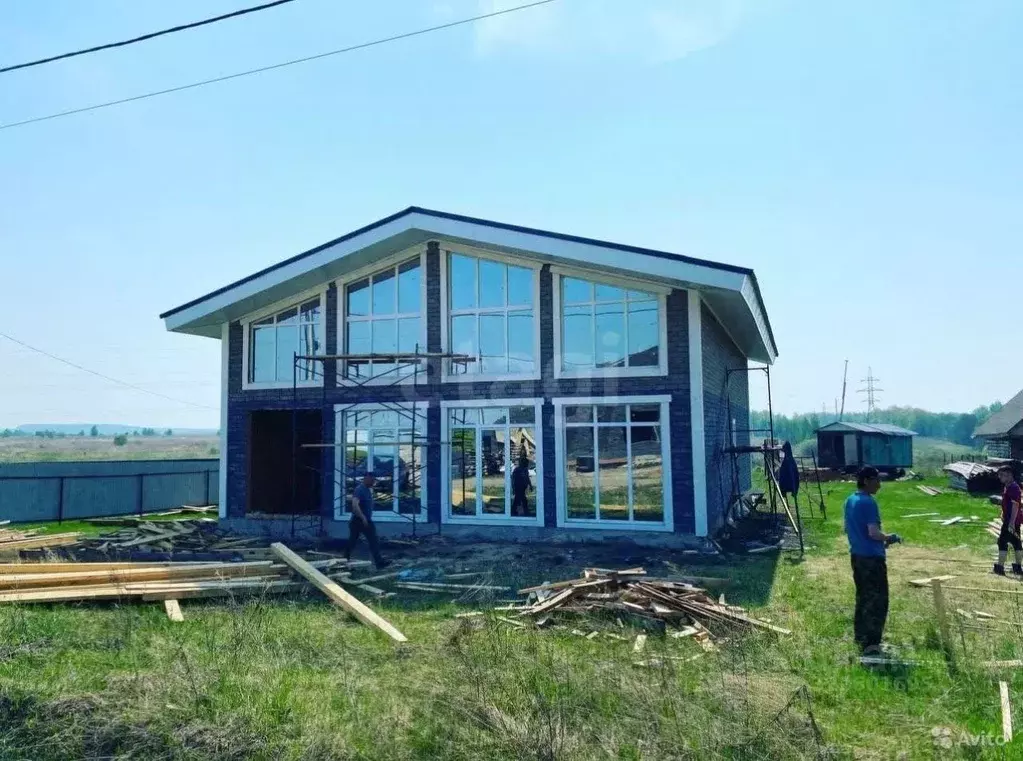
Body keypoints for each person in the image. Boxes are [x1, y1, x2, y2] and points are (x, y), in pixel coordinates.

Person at [844, 466, 902, 655]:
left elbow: (856, 530)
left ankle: (860, 637)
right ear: (867, 481)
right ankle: (871, 644)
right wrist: (889, 538)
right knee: (877, 601)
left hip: (857, 556)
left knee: (862, 597)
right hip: (871, 560)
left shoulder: (850, 500)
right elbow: (873, 532)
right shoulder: (868, 503)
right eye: (877, 480)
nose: (879, 484)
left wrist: (877, 543)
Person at [346, 472, 388, 569]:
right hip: (358, 521)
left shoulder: (368, 490)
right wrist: (362, 517)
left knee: (374, 540)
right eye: (372, 480)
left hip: (366, 521)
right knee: (353, 541)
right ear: (366, 479)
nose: (373, 482)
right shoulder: (359, 489)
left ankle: (379, 563)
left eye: (374, 480)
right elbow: (355, 505)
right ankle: (345, 559)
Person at [994, 465, 1023, 576]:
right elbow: (1009, 504)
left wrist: (1010, 522)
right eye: (999, 474)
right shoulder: (1008, 486)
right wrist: (1003, 513)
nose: (1000, 477)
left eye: (1002, 475)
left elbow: (1016, 505)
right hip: (1012, 520)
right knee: (1016, 542)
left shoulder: (1013, 488)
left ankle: (1000, 568)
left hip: (1011, 521)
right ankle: (1018, 567)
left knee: (1002, 542)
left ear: (1009, 475)